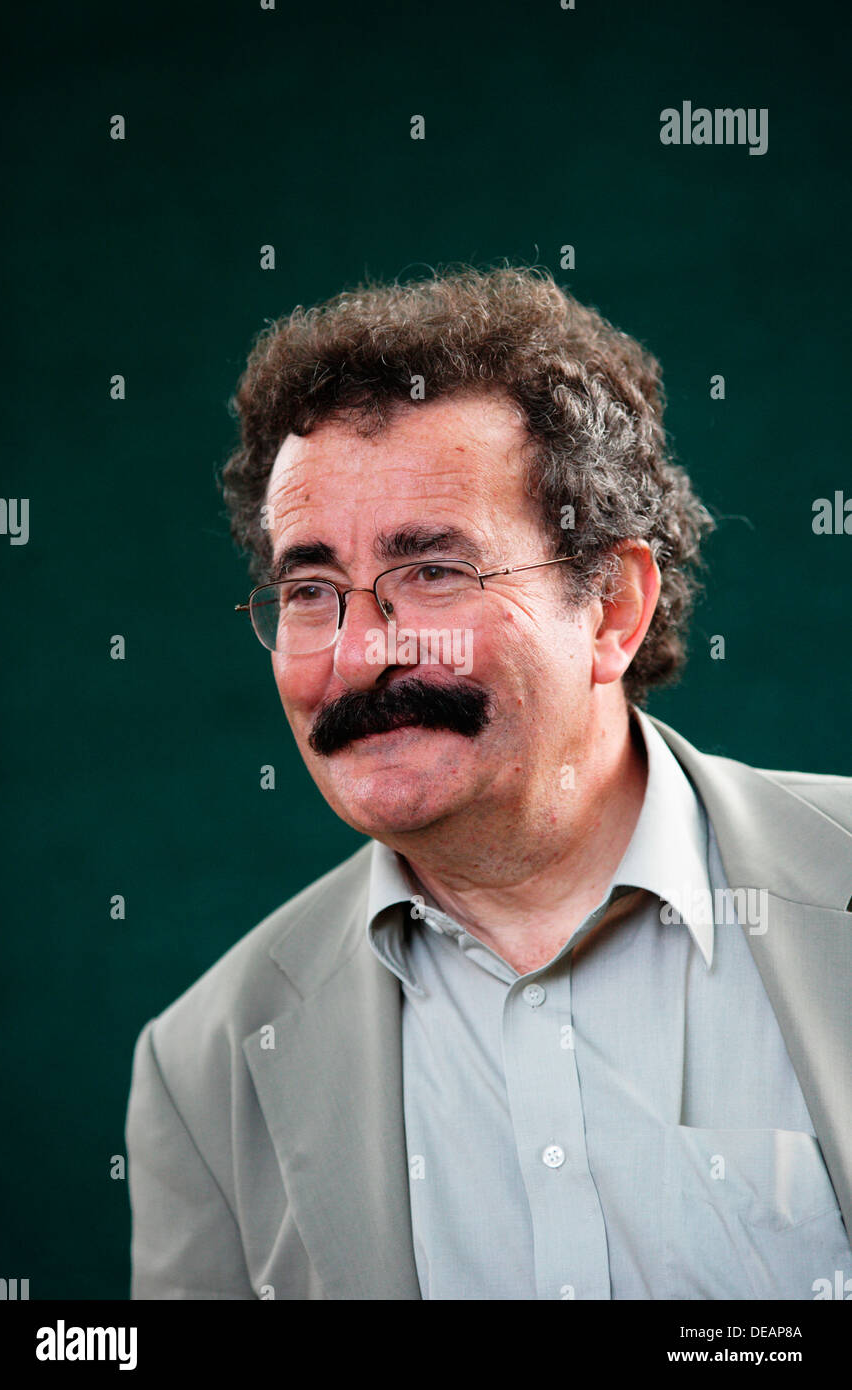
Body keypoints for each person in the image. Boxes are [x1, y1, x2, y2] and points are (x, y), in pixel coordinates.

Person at [125, 266, 852, 1300]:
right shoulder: (206, 1072)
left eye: (432, 571)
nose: (361, 652)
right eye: (309, 588)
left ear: (609, 608)